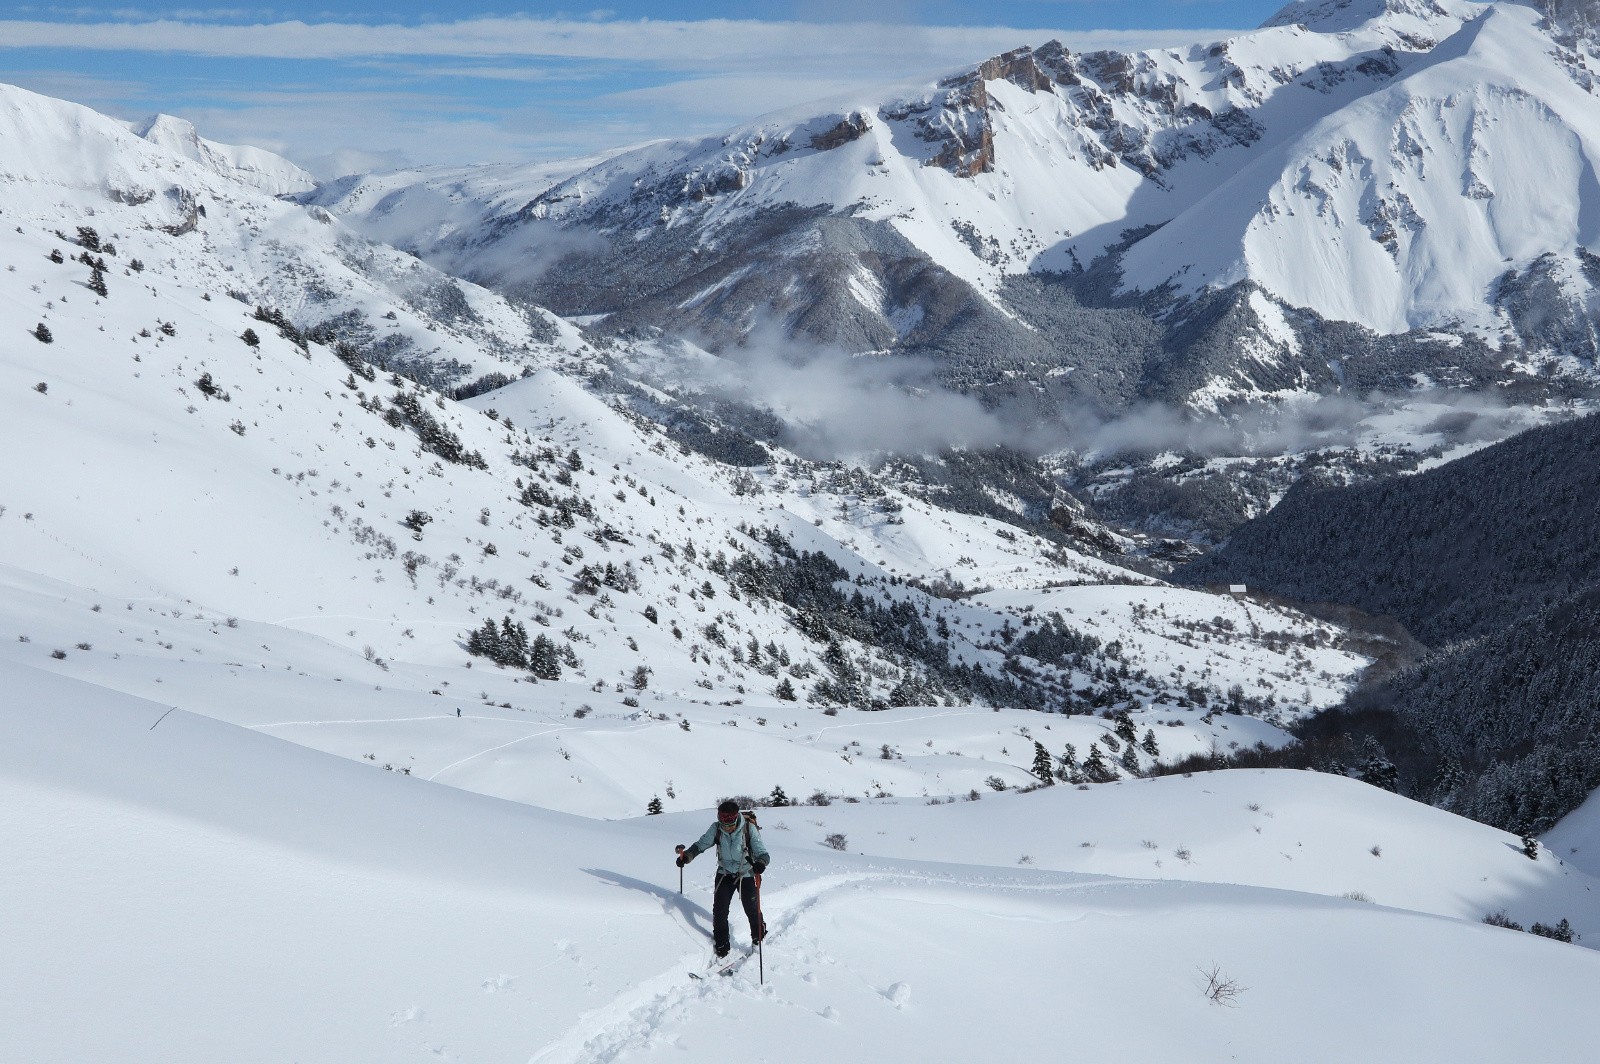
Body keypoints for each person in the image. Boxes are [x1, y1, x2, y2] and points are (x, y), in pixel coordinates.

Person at [676, 799, 769, 958]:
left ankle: (758, 937)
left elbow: (763, 853)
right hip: (724, 873)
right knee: (720, 910)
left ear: (736, 817)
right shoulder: (716, 828)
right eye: (722, 820)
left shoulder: (748, 828)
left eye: (729, 821)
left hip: (746, 873)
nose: (726, 825)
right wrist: (687, 856)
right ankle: (721, 943)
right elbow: (700, 845)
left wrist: (760, 863)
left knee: (752, 909)